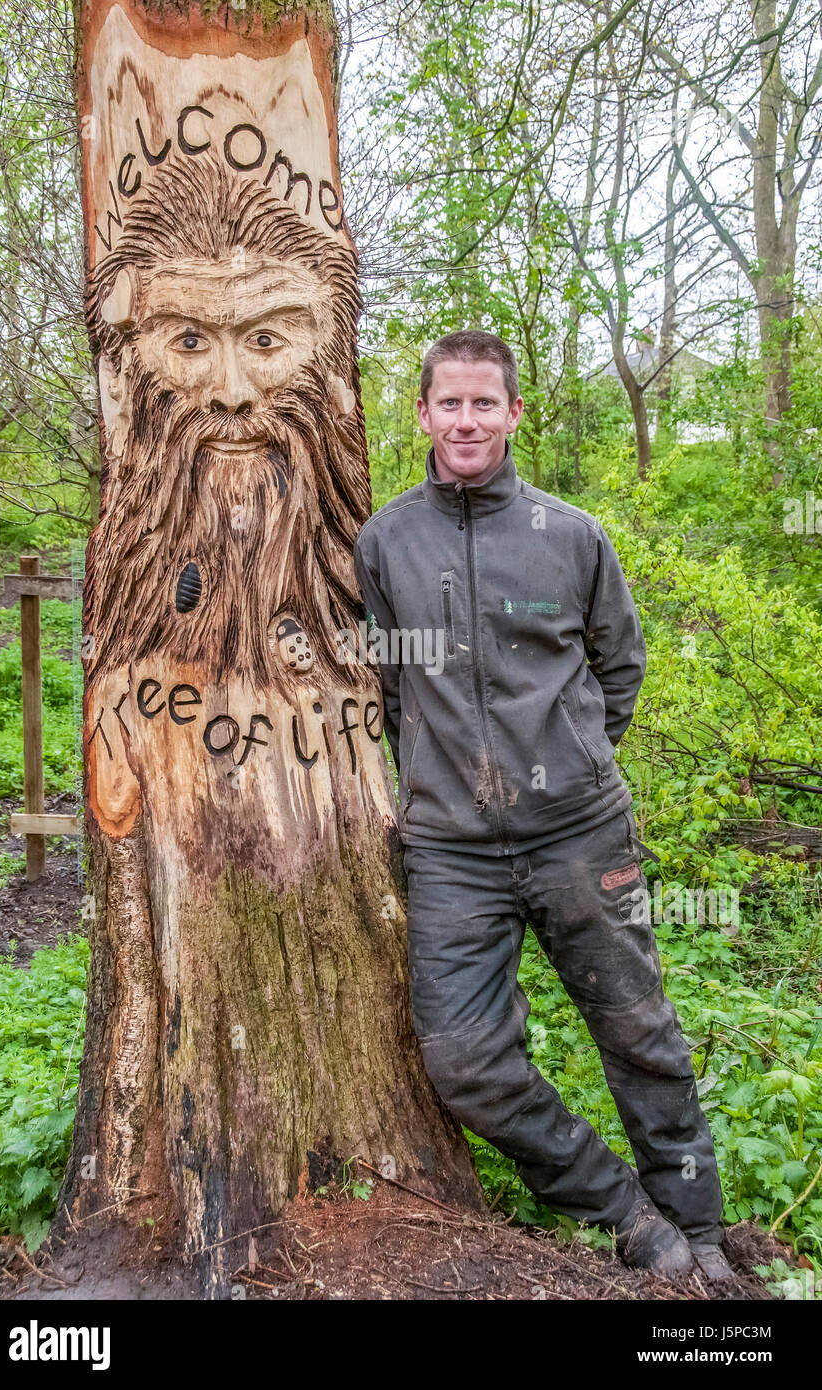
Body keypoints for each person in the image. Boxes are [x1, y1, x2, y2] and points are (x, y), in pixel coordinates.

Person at [353, 329, 732, 1281]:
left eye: (486, 403)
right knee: (464, 1063)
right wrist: (434, 785)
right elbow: (391, 692)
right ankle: (626, 1216)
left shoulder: (570, 535)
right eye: (450, 403)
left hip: (578, 833)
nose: (467, 420)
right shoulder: (386, 540)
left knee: (638, 1030)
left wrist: (567, 767)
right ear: (424, 414)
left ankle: (704, 1235)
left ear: (515, 413)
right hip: (450, 850)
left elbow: (620, 668)